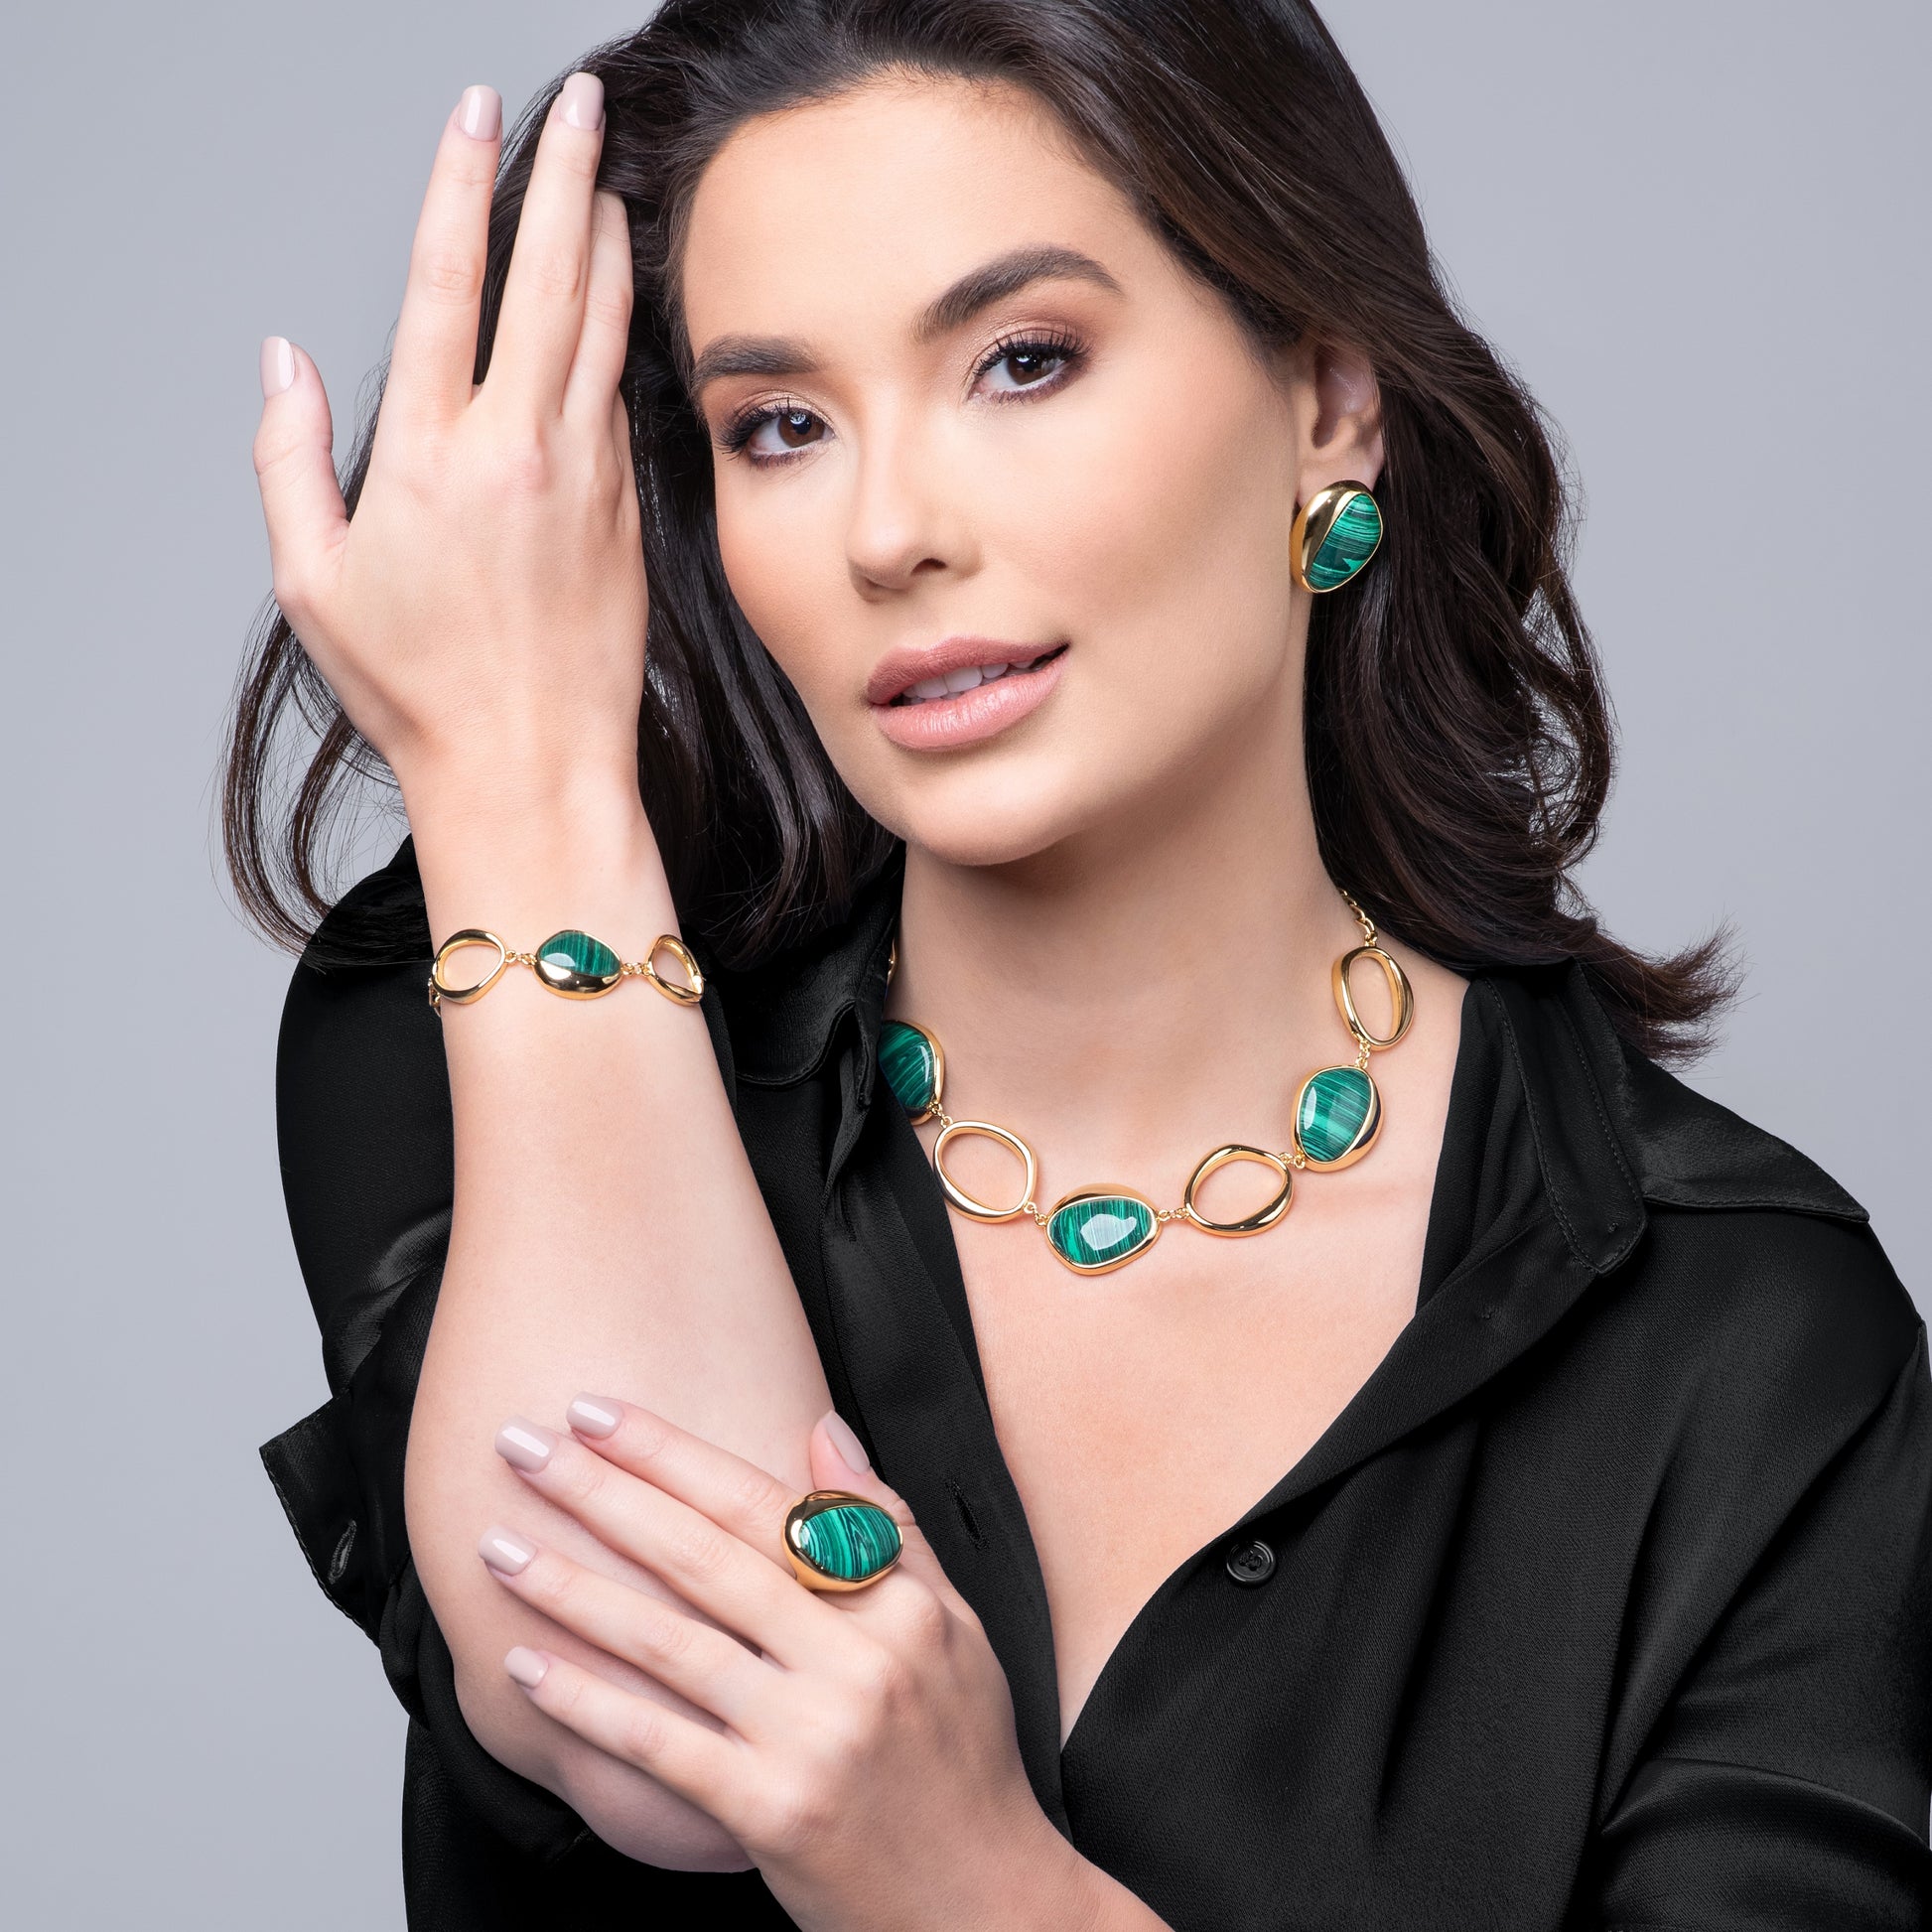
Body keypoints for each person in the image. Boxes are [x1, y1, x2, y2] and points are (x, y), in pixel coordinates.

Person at [228, 2, 1932, 1925]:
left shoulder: (1739, 1330)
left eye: (1022, 361)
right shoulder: (495, 1007)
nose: (888, 532)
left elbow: (811, 1780)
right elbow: (648, 1736)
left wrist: (971, 1879)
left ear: (1327, 396)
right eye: (778, 425)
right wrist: (518, 777)